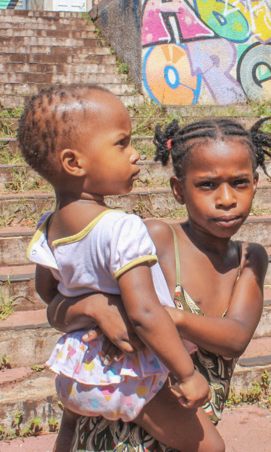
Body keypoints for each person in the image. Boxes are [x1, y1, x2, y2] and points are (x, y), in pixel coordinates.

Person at [42, 116, 271, 450]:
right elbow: (60, 310)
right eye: (207, 185)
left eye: (239, 183)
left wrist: (169, 317)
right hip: (119, 430)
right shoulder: (157, 239)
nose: (226, 198)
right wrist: (95, 308)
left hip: (183, 428)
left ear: (255, 183)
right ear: (179, 190)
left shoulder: (250, 259)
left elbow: (235, 337)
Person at [18, 84, 219, 452]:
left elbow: (50, 295)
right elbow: (143, 313)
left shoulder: (48, 225)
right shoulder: (122, 227)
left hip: (76, 372)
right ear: (74, 163)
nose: (135, 154)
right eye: (122, 143)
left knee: (69, 437)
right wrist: (187, 375)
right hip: (127, 372)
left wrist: (92, 305)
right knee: (210, 447)